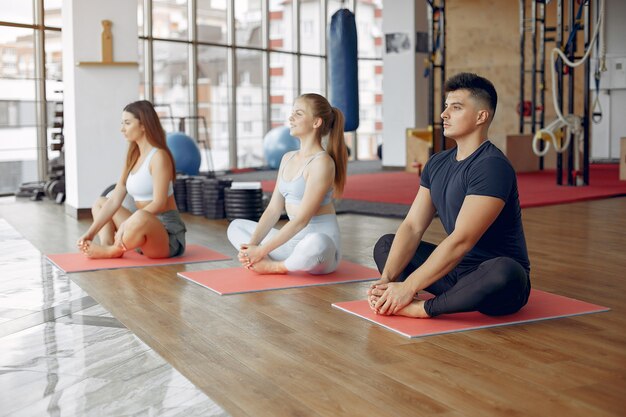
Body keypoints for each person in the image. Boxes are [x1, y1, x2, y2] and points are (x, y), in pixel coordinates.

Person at [368, 73, 531, 318]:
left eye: (456, 108)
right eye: (446, 107)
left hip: (495, 281)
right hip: (454, 273)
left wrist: (409, 285)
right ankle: (398, 294)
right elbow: (412, 226)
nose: (444, 114)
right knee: (387, 244)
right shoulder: (436, 163)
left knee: (505, 270)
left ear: (481, 116)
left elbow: (462, 240)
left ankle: (422, 308)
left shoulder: (491, 166)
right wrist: (386, 281)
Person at [227, 93, 348, 275]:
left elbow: (302, 220)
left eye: (298, 113)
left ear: (316, 122)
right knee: (235, 226)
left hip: (320, 251)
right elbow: (273, 210)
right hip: (291, 243)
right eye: (292, 112)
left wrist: (261, 250)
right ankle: (272, 261)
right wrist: (251, 247)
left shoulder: (322, 163)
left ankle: (275, 266)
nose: (291, 118)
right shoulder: (287, 158)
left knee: (317, 243)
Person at [77, 100, 186, 259]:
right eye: (122, 123)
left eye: (127, 123)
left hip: (166, 235)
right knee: (102, 202)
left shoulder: (159, 156)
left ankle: (112, 252)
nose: (122, 129)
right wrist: (90, 233)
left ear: (143, 125)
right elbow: (115, 198)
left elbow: (159, 203)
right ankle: (107, 245)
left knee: (142, 216)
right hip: (138, 229)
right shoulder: (133, 156)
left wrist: (127, 224)